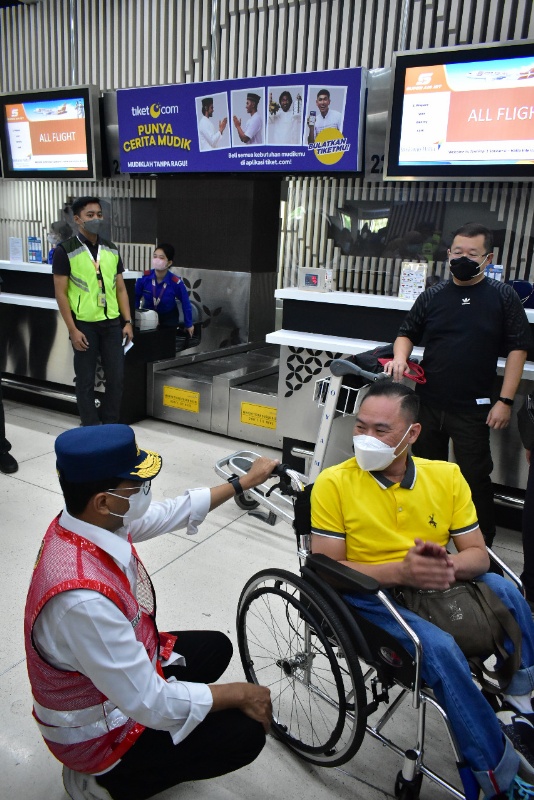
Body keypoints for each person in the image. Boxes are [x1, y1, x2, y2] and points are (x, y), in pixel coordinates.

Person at [25, 423, 278, 800]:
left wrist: (243, 482)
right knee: (244, 735)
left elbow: (168, 512)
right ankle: (109, 783)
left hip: (113, 679)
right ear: (104, 501)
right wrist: (240, 694)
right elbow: (152, 703)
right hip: (98, 738)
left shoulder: (84, 521)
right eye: (137, 485)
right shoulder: (82, 600)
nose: (146, 491)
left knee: (216, 647)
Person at [311, 381, 534, 800]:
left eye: (381, 430)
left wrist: (439, 567)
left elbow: (478, 557)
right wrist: (403, 572)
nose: (365, 439)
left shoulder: (445, 476)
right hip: (370, 595)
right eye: (360, 427)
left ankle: (522, 699)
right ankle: (499, 778)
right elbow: (328, 567)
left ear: (412, 434)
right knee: (440, 649)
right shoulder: (333, 484)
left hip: (434, 585)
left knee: (508, 593)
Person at [384, 223, 532, 548]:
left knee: (475, 480)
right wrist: (399, 357)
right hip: (428, 403)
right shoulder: (434, 294)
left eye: (473, 254)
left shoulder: (502, 296)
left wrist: (505, 401)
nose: (463, 258)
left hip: (473, 408)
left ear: (488, 258)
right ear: (449, 253)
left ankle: (482, 549)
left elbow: (518, 348)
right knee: (423, 475)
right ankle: (427, 538)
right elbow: (407, 331)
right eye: (458, 252)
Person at [53, 197, 133, 427]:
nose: (96, 219)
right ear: (77, 219)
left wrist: (127, 322)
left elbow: (120, 289)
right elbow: (61, 295)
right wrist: (72, 330)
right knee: (85, 380)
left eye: (99, 214)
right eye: (90, 215)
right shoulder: (65, 251)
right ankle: (90, 425)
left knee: (116, 379)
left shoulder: (111, 249)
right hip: (84, 325)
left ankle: (110, 425)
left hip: (112, 325)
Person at [134, 243, 194, 336]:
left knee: (165, 345)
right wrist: (134, 318)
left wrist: (189, 324)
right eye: (155, 257)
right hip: (147, 318)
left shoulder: (176, 282)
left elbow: (186, 303)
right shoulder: (145, 277)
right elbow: (136, 297)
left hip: (168, 319)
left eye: (161, 258)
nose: (157, 260)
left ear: (169, 262)